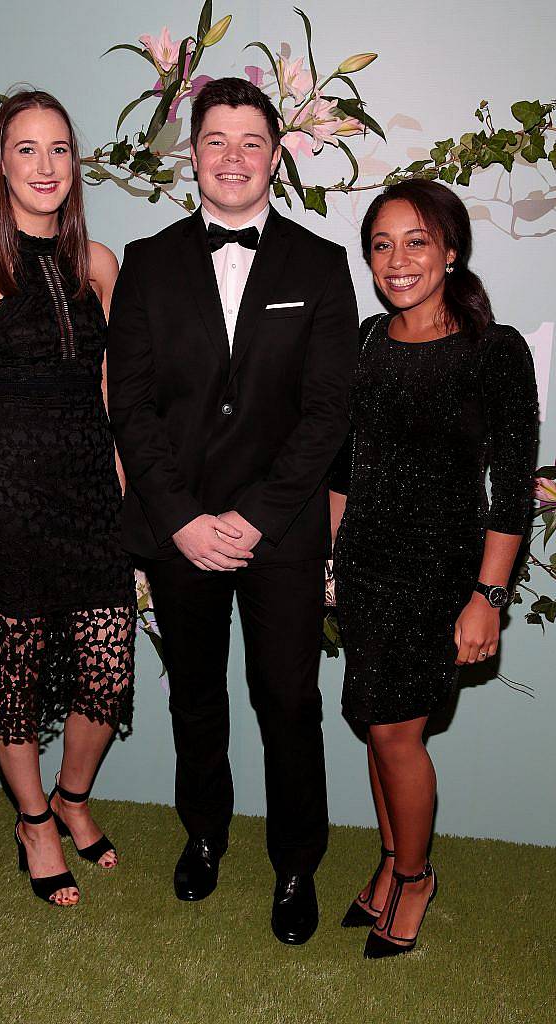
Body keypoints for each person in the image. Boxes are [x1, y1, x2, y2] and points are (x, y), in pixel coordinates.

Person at [107, 77, 359, 944]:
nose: (233, 158)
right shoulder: (146, 260)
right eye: (216, 140)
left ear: (276, 157)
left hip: (279, 532)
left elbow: (328, 411)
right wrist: (178, 518)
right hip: (178, 530)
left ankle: (296, 864)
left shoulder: (320, 266)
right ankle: (203, 834)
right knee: (197, 699)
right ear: (194, 156)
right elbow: (129, 407)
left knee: (286, 699)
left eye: (251, 142)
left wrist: (254, 518)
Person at [0, 90, 135, 907]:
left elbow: (114, 398)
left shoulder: (102, 267)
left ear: (74, 164)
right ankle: (33, 821)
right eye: (26, 150)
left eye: (58, 149)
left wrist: (124, 495)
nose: (45, 166)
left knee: (106, 675)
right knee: (11, 684)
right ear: (0, 165)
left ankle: (72, 797)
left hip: (90, 501)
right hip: (5, 503)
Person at [330, 178, 539, 957]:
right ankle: (391, 862)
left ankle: (416, 878)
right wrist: (332, 560)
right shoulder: (363, 341)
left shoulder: (494, 350)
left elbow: (511, 486)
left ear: (451, 252)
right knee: (375, 728)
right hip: (363, 567)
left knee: (394, 734)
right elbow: (344, 469)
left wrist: (487, 596)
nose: (397, 259)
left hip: (439, 574)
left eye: (416, 241)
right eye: (381, 245)